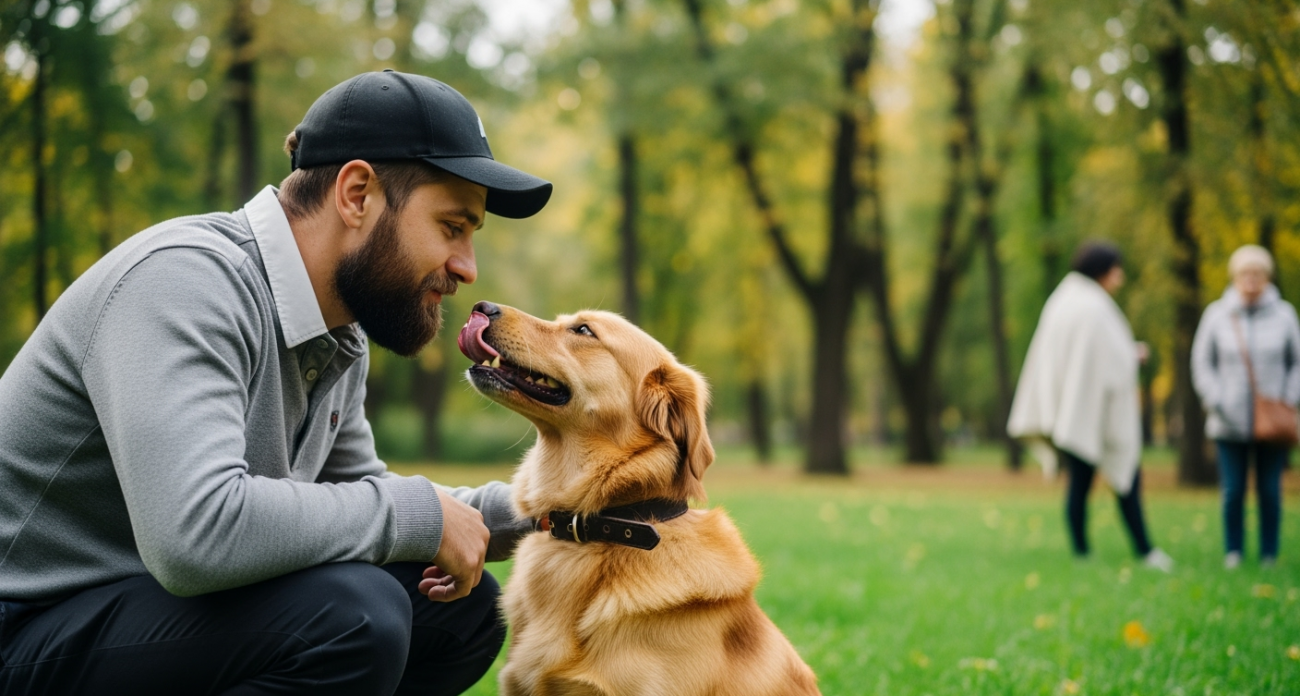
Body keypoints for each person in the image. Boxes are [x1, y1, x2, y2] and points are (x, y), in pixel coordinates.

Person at [0, 71, 552, 694]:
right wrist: (417, 515)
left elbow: (360, 501)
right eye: (453, 226)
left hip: (134, 615)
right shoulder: (185, 283)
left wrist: (546, 510)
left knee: (462, 614)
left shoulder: (335, 330)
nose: (467, 268)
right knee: (353, 616)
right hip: (23, 623)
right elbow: (197, 533)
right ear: (356, 194)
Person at [1008, 241, 1174, 572]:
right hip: (1091, 411)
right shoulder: (1092, 306)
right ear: (1102, 270)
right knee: (1123, 478)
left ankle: (1083, 551)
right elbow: (1108, 359)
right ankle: (1142, 551)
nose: (1120, 278)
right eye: (1116, 270)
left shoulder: (1063, 300)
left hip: (1073, 409)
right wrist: (1132, 355)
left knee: (1079, 485)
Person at [1191, 244, 1299, 569]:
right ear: (1234, 277)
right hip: (1229, 420)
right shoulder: (1217, 315)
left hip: (1273, 420)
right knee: (1233, 490)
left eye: (1257, 274)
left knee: (1269, 490)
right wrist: (1215, 399)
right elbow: (1201, 363)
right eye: (1244, 274)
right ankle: (1233, 552)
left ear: (1267, 277)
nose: (1251, 280)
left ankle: (1269, 553)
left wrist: (1289, 398)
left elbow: (1297, 362)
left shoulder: (1284, 315)